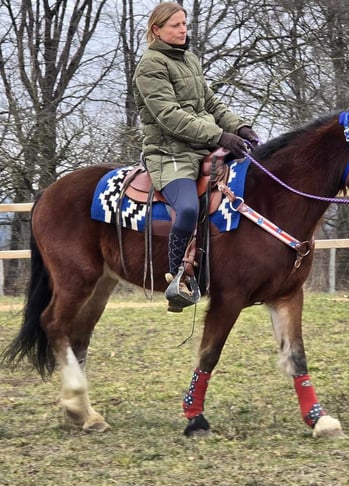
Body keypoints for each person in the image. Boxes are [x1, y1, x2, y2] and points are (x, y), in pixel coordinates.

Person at [133, 1, 260, 310]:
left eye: (184, 24)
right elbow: (169, 116)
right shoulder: (151, 65)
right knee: (188, 208)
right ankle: (179, 278)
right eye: (175, 25)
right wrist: (219, 136)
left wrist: (240, 128)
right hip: (169, 154)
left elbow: (211, 104)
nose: (182, 29)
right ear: (156, 30)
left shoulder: (190, 59)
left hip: (202, 148)